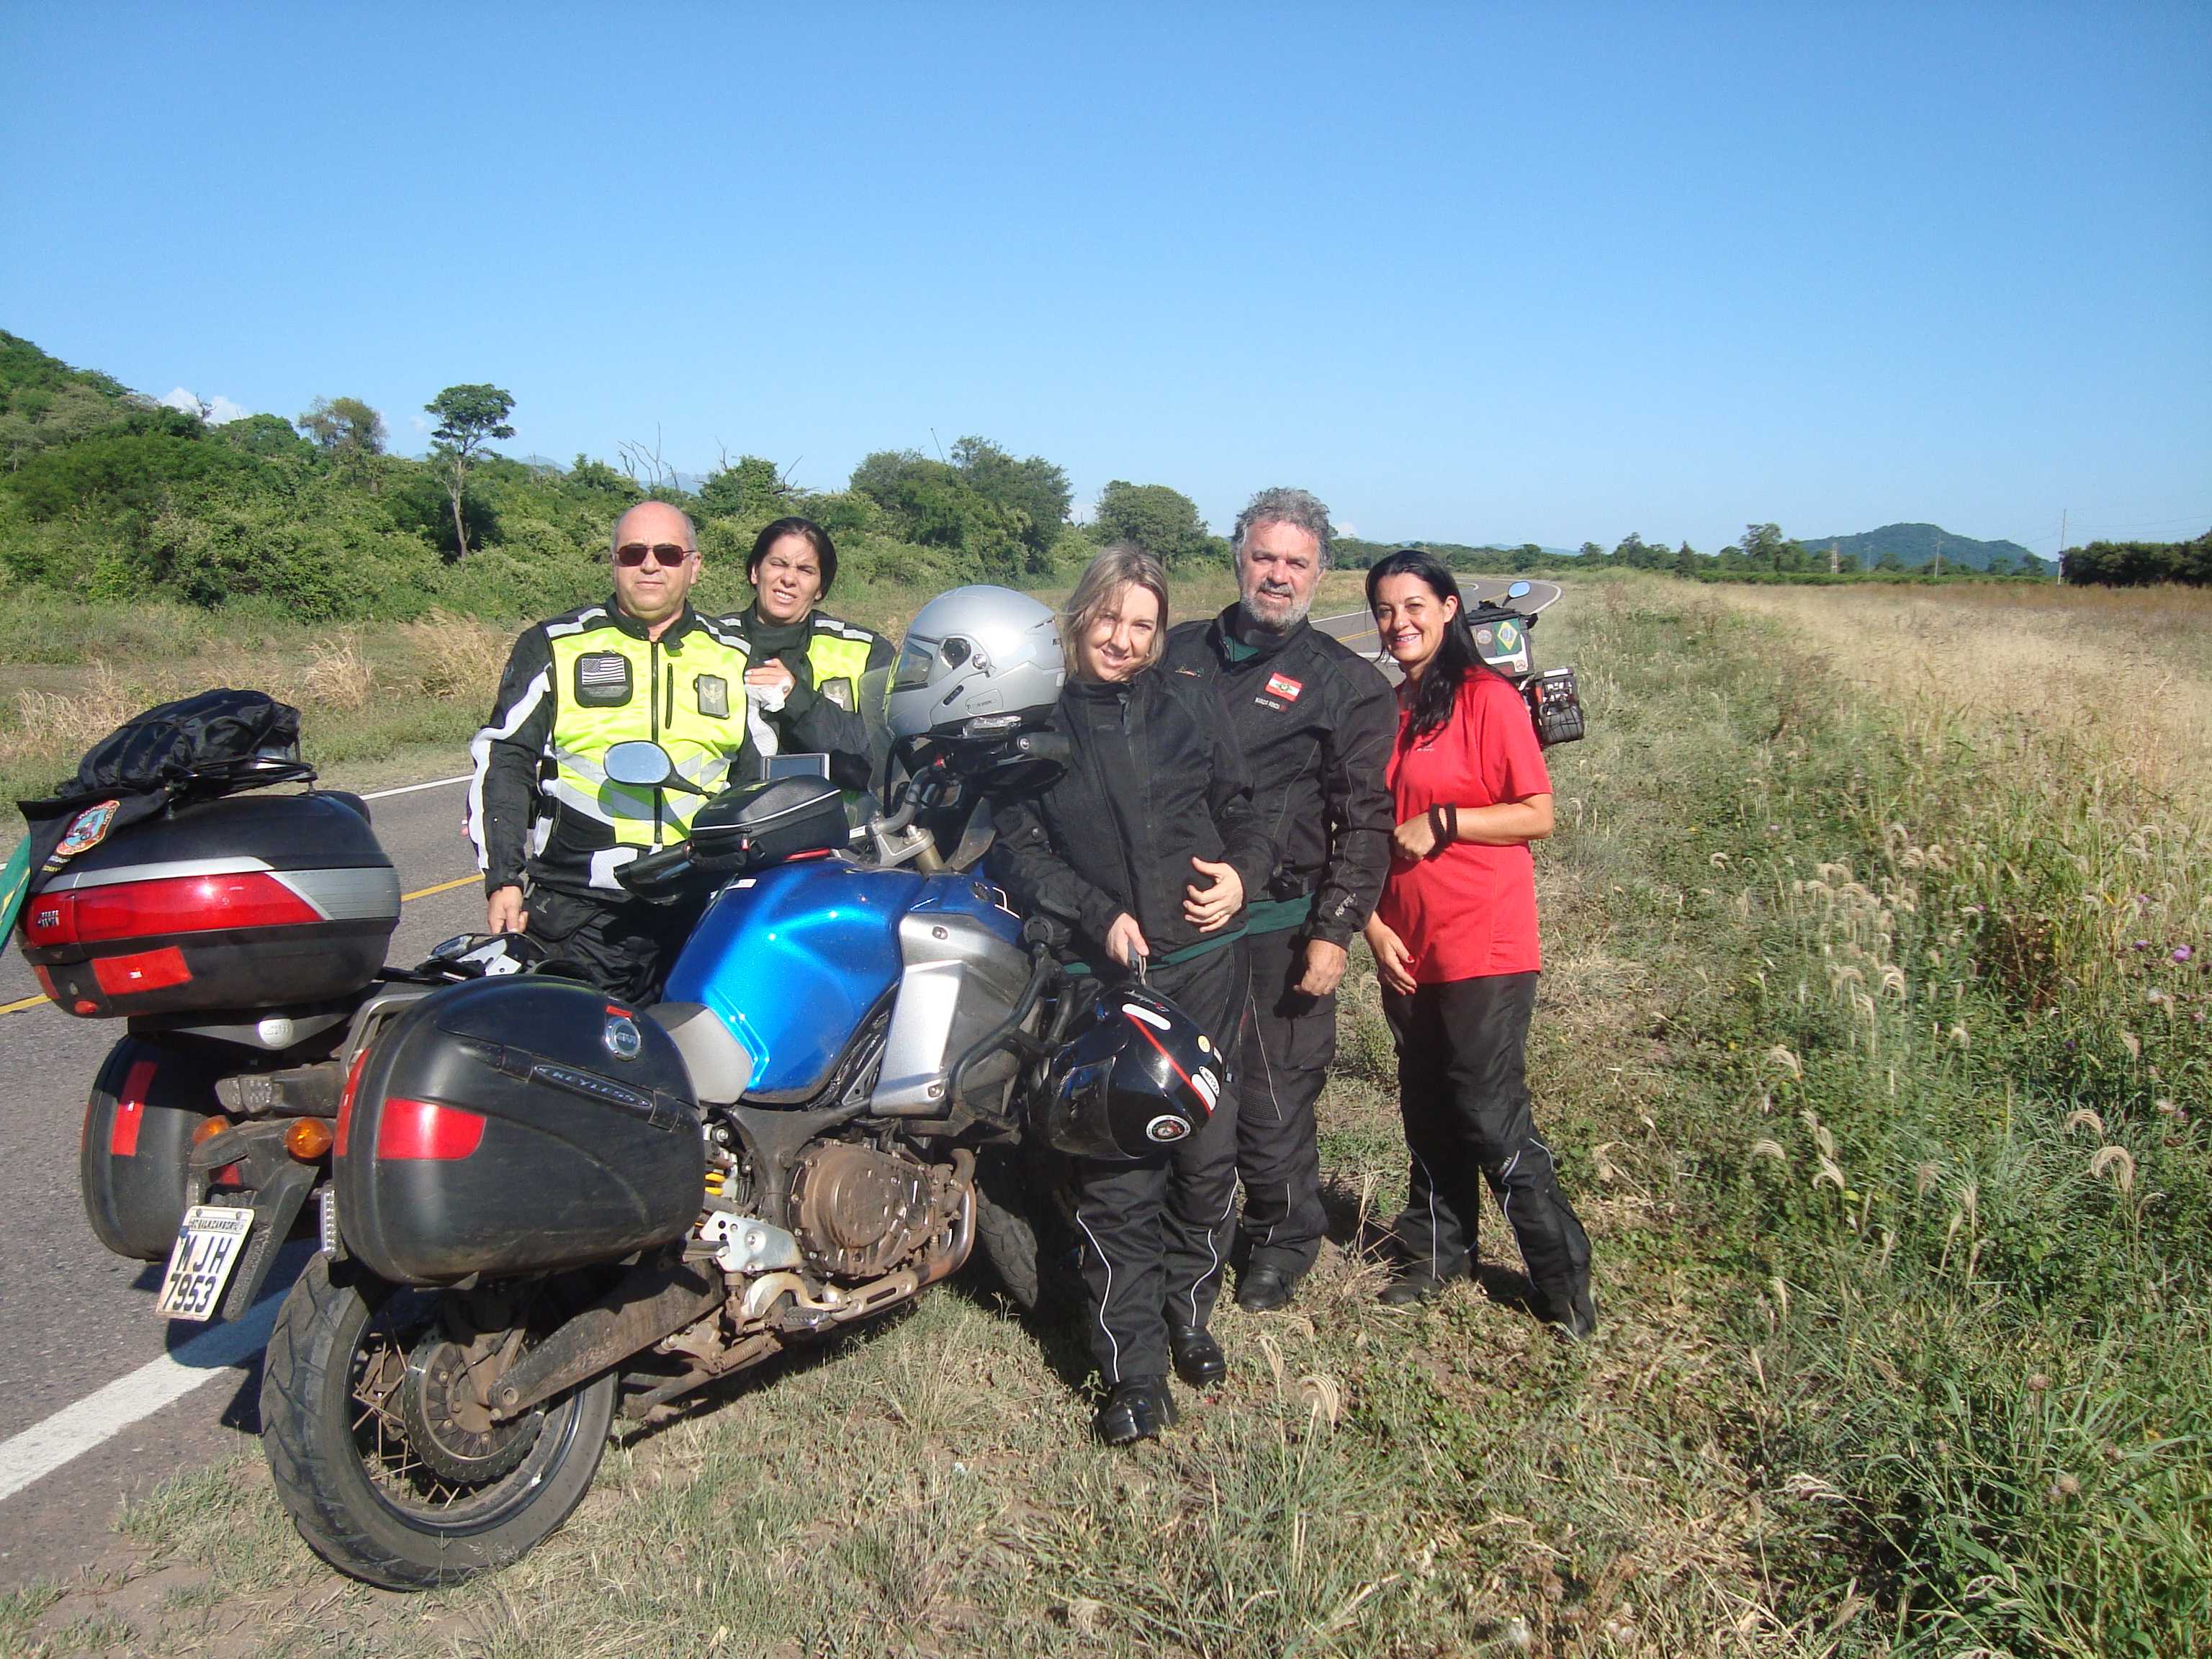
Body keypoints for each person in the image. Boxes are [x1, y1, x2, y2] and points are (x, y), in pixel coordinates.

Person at [996, 545, 1276, 1444]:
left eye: (1142, 625)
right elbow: (1021, 850)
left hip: (1204, 963)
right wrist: (1097, 912)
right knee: (1119, 1179)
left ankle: (1191, 1314)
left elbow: (1249, 812)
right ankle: (1134, 1371)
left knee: (1205, 1163)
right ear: (1079, 617)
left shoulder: (1187, 700)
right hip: (1102, 979)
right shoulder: (1036, 722)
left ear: (1161, 636)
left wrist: (1241, 875)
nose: (1122, 639)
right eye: (1109, 618)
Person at [1161, 487, 1395, 1313]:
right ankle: (1190, 1228)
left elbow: (1368, 823)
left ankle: (1282, 1240)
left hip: (1278, 925)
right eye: (1265, 557)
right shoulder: (1176, 650)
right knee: (1180, 1086)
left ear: (1321, 574)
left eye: (1297, 562)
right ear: (1238, 559)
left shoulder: (1348, 685)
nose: (1279, 575)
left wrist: (1335, 933)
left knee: (1271, 1095)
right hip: (1176, 923)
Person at [1359, 549, 1596, 1339]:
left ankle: (1561, 1279)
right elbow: (1361, 830)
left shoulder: (1487, 700)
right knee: (1426, 1108)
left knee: (1490, 1112)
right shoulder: (1390, 709)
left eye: (1416, 606)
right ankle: (1438, 1252)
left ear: (1451, 609)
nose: (1401, 623)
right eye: (1387, 610)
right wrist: (1371, 924)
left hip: (1484, 941)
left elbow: (1537, 812)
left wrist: (1448, 821)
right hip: (1406, 943)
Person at [467, 500, 760, 1003]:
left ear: (694, 567)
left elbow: (759, 783)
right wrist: (502, 878)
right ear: (613, 563)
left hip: (700, 907)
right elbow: (505, 761)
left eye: (667, 553)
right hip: (580, 909)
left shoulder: (735, 654)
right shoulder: (556, 644)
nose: (650, 565)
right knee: (574, 1062)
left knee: (705, 1066)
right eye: (633, 552)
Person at [733, 516, 894, 793]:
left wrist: (796, 699)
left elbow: (875, 759)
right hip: (732, 825)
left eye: (806, 570)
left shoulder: (867, 651)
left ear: (821, 588)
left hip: (844, 830)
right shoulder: (710, 643)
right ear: (754, 572)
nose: (788, 579)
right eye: (778, 564)